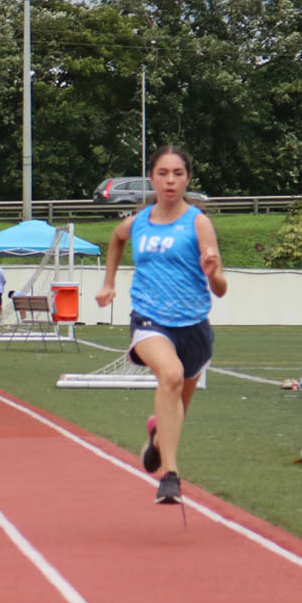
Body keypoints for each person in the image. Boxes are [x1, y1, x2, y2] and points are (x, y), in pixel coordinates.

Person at [95, 145, 227, 505]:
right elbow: (116, 239)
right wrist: (109, 283)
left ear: (187, 178)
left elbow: (221, 290)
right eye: (163, 173)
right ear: (151, 177)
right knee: (168, 376)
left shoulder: (198, 222)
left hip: (194, 327)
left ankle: (156, 439)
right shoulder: (139, 221)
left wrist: (213, 272)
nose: (170, 180)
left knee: (177, 406)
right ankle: (170, 475)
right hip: (150, 321)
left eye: (178, 174)